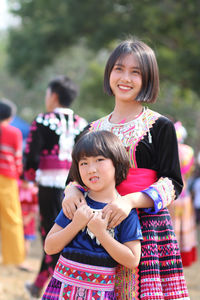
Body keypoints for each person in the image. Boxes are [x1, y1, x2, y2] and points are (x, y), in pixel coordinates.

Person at [62, 38, 190, 299]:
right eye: (119, 69)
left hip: (147, 229)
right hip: (96, 226)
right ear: (109, 72)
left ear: (148, 79)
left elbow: (173, 183)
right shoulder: (92, 129)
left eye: (136, 72)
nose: (125, 78)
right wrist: (72, 192)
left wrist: (129, 201)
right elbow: (75, 177)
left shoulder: (160, 126)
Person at [42, 130, 143, 299]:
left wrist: (101, 233)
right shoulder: (76, 203)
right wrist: (76, 224)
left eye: (99, 160)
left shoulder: (122, 211)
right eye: (84, 163)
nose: (91, 169)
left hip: (100, 292)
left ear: (117, 163)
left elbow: (132, 260)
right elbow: (49, 247)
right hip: (62, 289)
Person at [24, 75, 88, 298]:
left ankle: (56, 285)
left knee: (51, 234)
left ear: (53, 96)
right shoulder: (83, 123)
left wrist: (30, 176)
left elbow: (30, 156)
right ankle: (40, 283)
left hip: (49, 185)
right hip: (77, 186)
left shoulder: (42, 120)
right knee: (67, 233)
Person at [169, 121, 198, 267]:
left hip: (171, 194)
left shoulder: (168, 151)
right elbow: (190, 170)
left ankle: (170, 254)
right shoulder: (189, 151)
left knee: (172, 225)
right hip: (184, 194)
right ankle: (184, 254)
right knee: (184, 224)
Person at [0, 98, 25, 265]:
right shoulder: (14, 132)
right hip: (7, 179)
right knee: (11, 218)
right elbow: (17, 158)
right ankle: (14, 259)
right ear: (10, 117)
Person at [18, 176, 39, 267]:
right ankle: (18, 259)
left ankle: (23, 260)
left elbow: (34, 208)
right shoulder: (18, 190)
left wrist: (28, 218)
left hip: (28, 219)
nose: (25, 184)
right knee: (18, 240)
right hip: (19, 217)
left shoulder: (32, 192)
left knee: (26, 241)